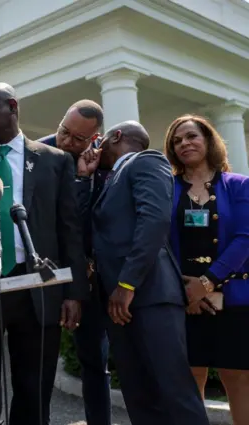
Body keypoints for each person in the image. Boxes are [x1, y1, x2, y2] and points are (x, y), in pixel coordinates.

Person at [0, 83, 88, 425]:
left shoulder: (54, 160)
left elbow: (70, 228)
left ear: (11, 107)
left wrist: (73, 292)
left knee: (34, 386)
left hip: (38, 286)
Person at [92, 120, 209, 425]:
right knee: (139, 394)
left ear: (115, 136)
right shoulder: (107, 178)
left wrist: (127, 283)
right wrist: (82, 176)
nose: (96, 147)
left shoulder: (147, 161)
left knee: (174, 392)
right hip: (120, 303)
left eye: (101, 141)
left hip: (149, 294)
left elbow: (154, 220)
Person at [164, 114, 249, 425]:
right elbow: (158, 241)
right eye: (177, 140)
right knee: (190, 376)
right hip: (182, 298)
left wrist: (207, 282)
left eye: (191, 136)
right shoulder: (166, 188)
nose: (184, 143)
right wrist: (186, 289)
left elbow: (245, 238)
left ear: (209, 140)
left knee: (237, 377)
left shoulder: (239, 185)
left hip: (235, 297)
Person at [37, 100, 112, 425]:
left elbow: (90, 222)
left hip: (90, 276)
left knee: (94, 361)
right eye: (64, 131)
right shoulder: (37, 154)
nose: (68, 141)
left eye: (78, 139)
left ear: (95, 138)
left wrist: (85, 178)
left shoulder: (103, 163)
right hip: (46, 275)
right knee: (38, 363)